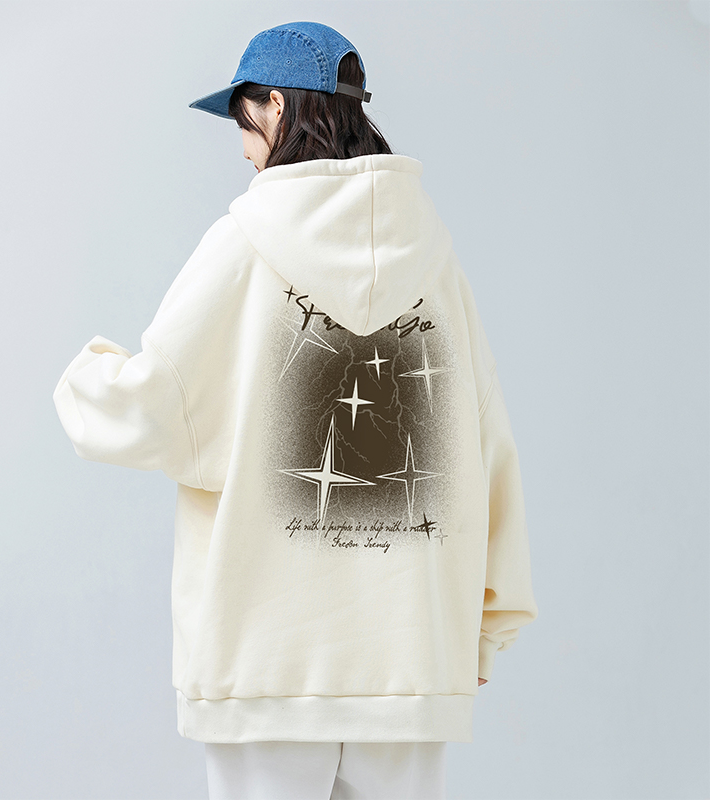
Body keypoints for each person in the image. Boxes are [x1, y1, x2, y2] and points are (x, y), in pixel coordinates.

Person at [53, 20, 539, 800]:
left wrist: (85, 378)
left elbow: (155, 407)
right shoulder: (434, 255)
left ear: (275, 105)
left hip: (266, 661)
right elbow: (487, 442)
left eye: (242, 120)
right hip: (410, 656)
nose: (243, 148)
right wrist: (484, 628)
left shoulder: (244, 243)